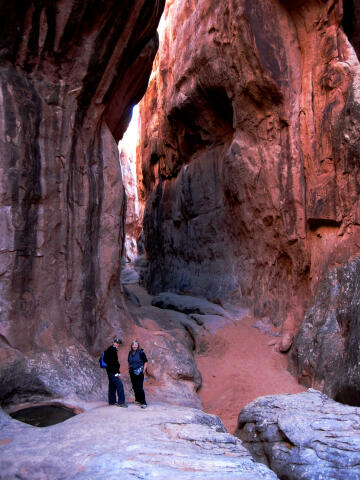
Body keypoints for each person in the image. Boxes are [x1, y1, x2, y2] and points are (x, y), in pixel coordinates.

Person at [104, 337, 128, 408]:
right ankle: (121, 402)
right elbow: (113, 364)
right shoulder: (112, 350)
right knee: (119, 385)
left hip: (109, 371)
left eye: (118, 343)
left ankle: (112, 401)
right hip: (113, 372)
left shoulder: (109, 349)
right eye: (116, 343)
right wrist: (117, 373)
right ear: (114, 342)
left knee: (112, 385)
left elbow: (109, 362)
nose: (117, 344)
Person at [128, 340, 148, 409]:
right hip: (132, 372)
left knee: (139, 387)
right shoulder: (130, 353)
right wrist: (129, 369)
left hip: (139, 372)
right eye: (133, 345)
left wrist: (143, 370)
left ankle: (143, 402)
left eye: (136, 345)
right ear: (131, 346)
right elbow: (129, 361)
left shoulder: (141, 352)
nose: (135, 346)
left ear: (138, 345)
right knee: (134, 386)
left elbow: (146, 362)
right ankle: (137, 400)